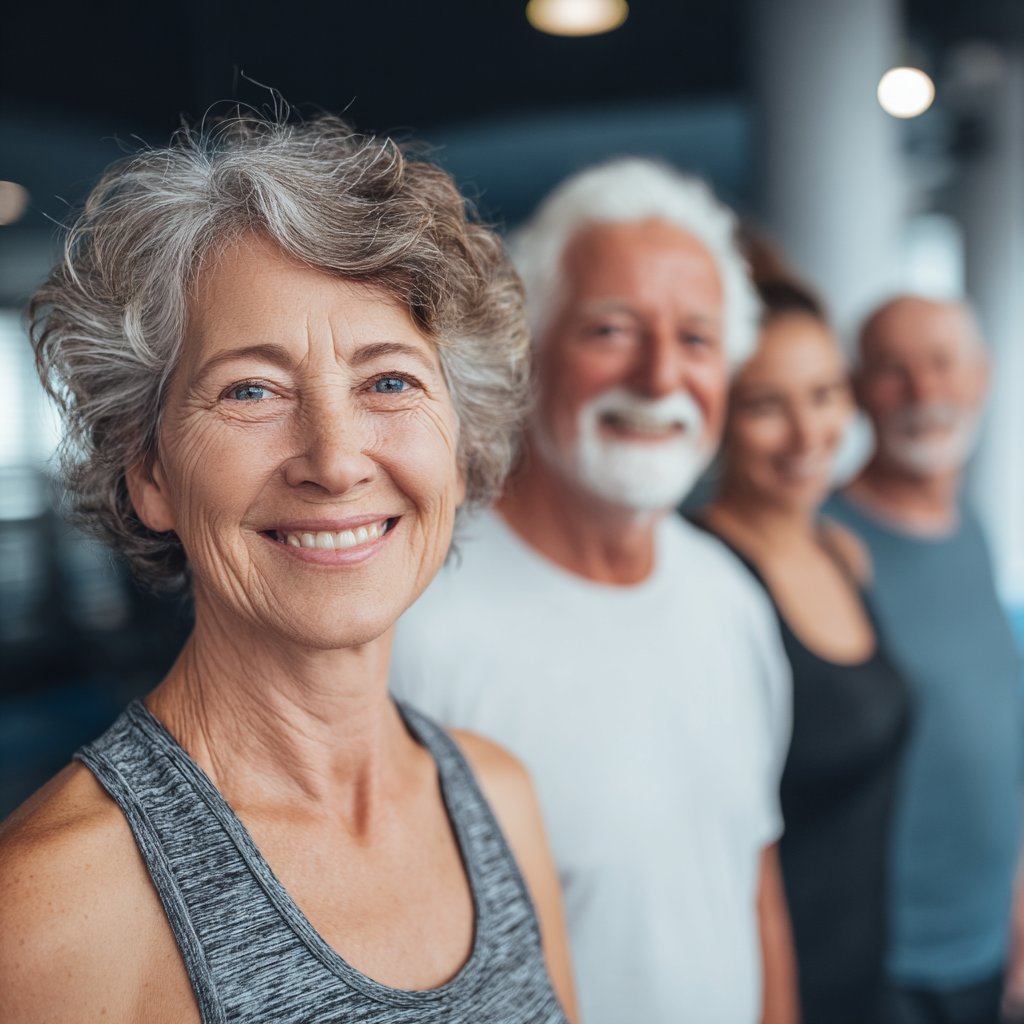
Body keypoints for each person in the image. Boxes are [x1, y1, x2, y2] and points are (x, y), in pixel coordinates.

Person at [0, 112, 579, 1024]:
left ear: (461, 449)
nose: (337, 459)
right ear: (147, 470)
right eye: (251, 391)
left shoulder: (499, 798)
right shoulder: (50, 909)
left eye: (389, 381)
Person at [390, 159, 798, 1024]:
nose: (659, 378)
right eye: (612, 330)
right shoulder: (418, 623)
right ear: (528, 350)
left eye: (696, 339)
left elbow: (752, 883)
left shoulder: (731, 597)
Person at [697, 273, 910, 1022]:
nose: (806, 434)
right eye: (765, 405)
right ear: (718, 415)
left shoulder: (839, 553)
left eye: (824, 394)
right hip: (774, 997)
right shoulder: (702, 582)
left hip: (872, 980)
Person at [824, 296, 1024, 1024]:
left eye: (942, 365)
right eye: (894, 371)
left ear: (982, 376)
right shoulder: (825, 546)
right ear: (858, 388)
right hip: (881, 968)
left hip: (984, 949)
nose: (925, 393)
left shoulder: (974, 527)